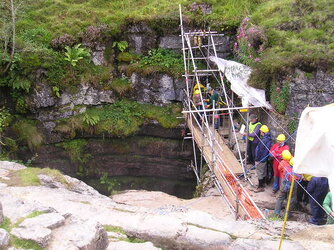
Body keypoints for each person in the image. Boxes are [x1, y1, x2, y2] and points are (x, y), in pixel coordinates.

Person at [254, 125, 272, 192]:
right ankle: (263, 184)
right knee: (263, 171)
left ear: (263, 132)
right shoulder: (268, 139)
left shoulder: (264, 140)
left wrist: (257, 159)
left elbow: (260, 150)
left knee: (260, 172)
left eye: (261, 131)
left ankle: (260, 187)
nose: (260, 132)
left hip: (261, 159)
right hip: (264, 158)